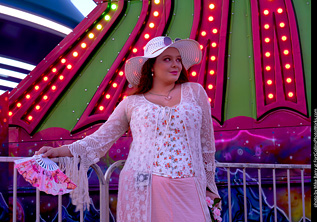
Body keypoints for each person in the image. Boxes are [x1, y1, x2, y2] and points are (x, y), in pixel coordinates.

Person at [36, 36, 220, 222]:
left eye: (178, 59)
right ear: (151, 67)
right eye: (167, 59)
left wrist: (210, 187)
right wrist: (58, 151)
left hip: (188, 184)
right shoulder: (132, 103)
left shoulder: (195, 92)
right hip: (144, 185)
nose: (175, 65)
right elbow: (100, 139)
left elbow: (207, 145)